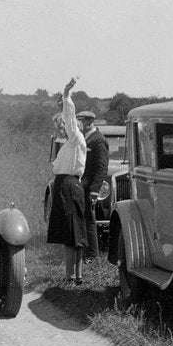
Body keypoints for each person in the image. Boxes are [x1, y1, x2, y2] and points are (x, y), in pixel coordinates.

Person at [46, 78, 87, 284]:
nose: (59, 129)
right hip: (66, 185)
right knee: (71, 234)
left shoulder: (75, 137)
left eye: (60, 124)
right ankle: (74, 275)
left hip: (69, 186)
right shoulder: (69, 144)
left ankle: (72, 276)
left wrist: (66, 95)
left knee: (73, 234)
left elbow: (70, 118)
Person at [77, 110, 109, 263]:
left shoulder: (98, 140)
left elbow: (102, 168)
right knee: (83, 219)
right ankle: (85, 252)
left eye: (81, 122)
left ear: (88, 122)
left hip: (89, 187)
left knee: (89, 220)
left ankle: (92, 254)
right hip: (81, 185)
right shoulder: (85, 138)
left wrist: (95, 190)